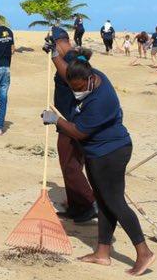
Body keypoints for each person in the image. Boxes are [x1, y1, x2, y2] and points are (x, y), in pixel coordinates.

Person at [42, 26, 155, 276]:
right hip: (97, 152)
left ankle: (144, 251)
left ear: (88, 80)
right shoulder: (89, 75)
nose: (77, 91)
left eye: (79, 87)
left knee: (115, 203)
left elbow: (79, 133)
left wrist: (56, 120)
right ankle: (102, 253)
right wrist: (53, 55)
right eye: (73, 87)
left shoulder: (100, 100)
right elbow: (66, 73)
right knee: (103, 203)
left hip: (111, 152)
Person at [43, 30, 97, 224]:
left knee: (70, 165)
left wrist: (55, 57)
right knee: (73, 164)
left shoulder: (72, 57)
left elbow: (71, 79)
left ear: (58, 42)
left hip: (71, 121)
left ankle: (90, 203)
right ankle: (77, 207)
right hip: (69, 118)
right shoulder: (73, 56)